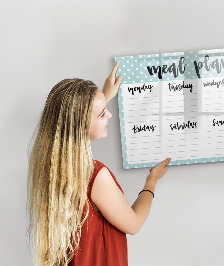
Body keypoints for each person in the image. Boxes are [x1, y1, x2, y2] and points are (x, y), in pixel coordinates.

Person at [27, 62, 171, 266]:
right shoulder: (95, 176)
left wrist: (104, 96)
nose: (109, 115)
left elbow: (76, 118)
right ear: (81, 124)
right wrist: (152, 181)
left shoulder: (50, 165)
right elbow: (134, 224)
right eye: (102, 113)